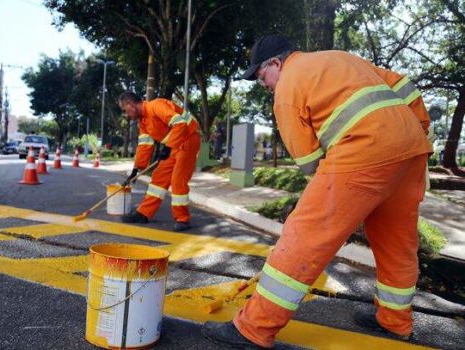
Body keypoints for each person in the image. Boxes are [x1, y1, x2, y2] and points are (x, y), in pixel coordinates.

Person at [202, 35, 433, 348]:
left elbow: (311, 162)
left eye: (261, 76)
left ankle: (253, 329)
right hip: (411, 149)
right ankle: (395, 321)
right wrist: (416, 132)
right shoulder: (341, 57)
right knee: (398, 241)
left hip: (364, 149)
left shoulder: (286, 90)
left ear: (276, 63)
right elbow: (405, 87)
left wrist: (321, 202)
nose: (263, 84)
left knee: (304, 238)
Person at [118, 92, 201, 232]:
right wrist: (136, 169)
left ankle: (182, 219)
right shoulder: (143, 122)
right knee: (158, 179)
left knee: (177, 180)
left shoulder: (156, 106)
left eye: (125, 111)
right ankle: (143, 213)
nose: (127, 115)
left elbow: (179, 123)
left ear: (130, 105)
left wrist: (168, 148)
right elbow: (145, 146)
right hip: (174, 146)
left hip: (188, 139)